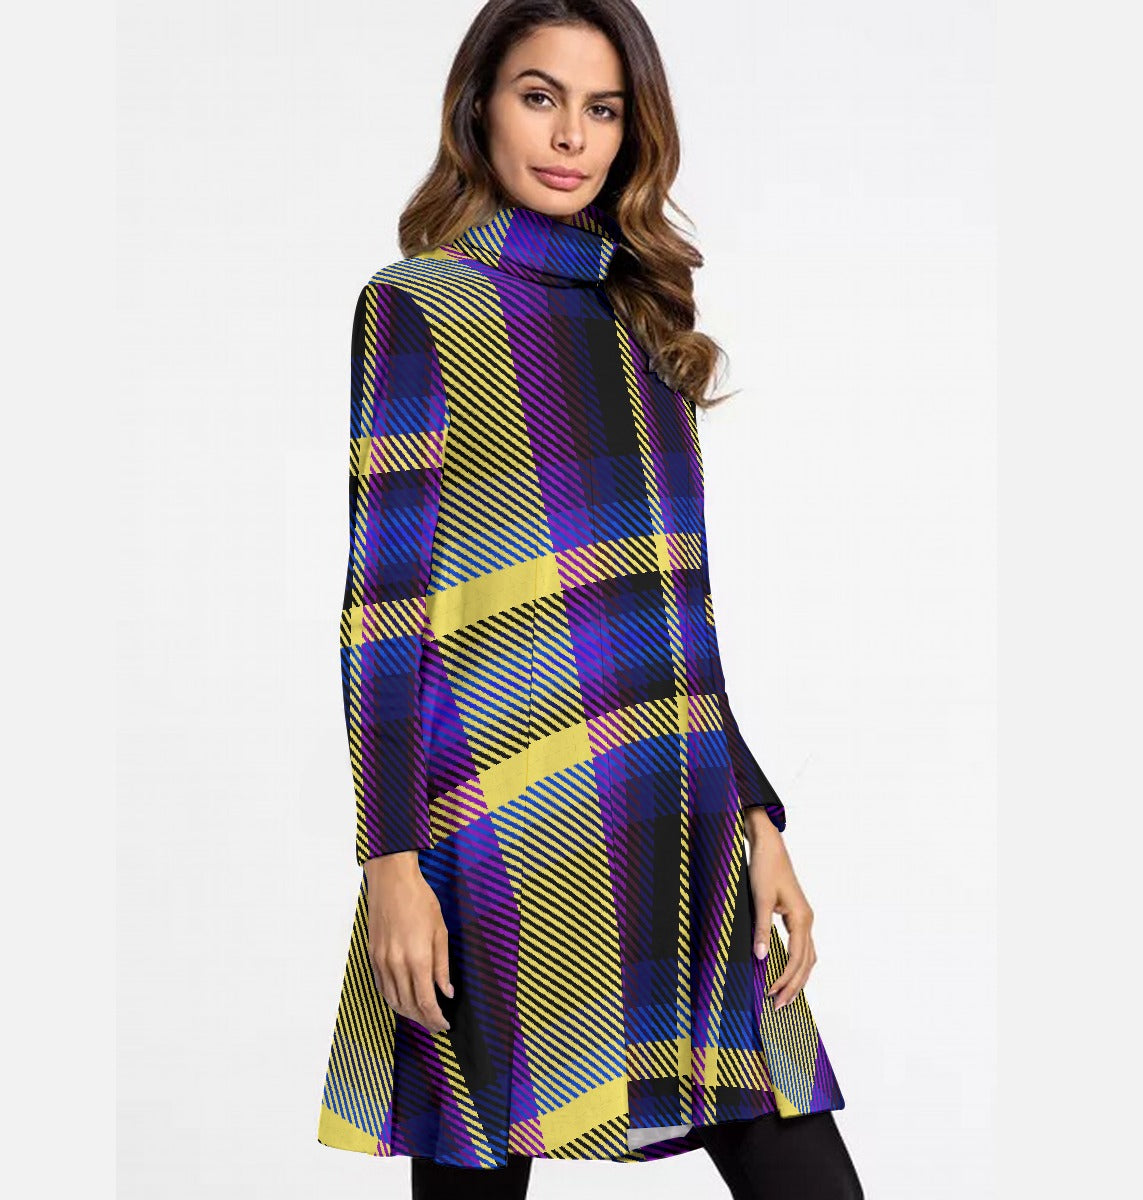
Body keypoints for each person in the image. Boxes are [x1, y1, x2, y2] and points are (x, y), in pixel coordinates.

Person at [317, 3, 864, 1197]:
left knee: (801, 1165)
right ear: (479, 107)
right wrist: (391, 862)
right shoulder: (419, 306)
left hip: (673, 797)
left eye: (603, 109)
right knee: (478, 1164)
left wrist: (757, 813)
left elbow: (677, 615)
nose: (571, 136)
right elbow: (382, 612)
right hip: (500, 814)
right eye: (540, 96)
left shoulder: (644, 318)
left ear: (632, 130)